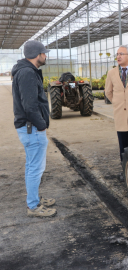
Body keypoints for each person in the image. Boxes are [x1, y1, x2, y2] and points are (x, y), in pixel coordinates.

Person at [12, 40, 57, 217]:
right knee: (35, 168)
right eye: (44, 53)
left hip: (30, 128)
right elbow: (30, 106)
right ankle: (33, 205)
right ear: (37, 55)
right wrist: (42, 125)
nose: (46, 56)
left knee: (33, 165)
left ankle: (35, 198)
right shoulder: (27, 74)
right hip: (31, 129)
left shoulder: (26, 72)